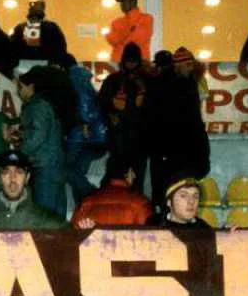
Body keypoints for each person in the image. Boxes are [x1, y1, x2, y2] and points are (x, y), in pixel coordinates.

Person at [145, 46, 210, 213]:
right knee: (178, 194)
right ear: (179, 65)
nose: (190, 68)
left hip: (168, 152)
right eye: (188, 65)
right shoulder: (186, 84)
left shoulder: (160, 84)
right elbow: (194, 122)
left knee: (167, 196)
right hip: (178, 152)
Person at [0, 150, 66, 230]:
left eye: (19, 172)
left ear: (27, 177)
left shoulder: (49, 222)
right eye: (6, 172)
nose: (12, 178)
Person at [16, 66, 67, 216]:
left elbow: (38, 134)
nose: (18, 92)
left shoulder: (37, 106)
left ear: (31, 86)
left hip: (44, 167)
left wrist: (21, 152)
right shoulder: (47, 104)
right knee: (57, 218)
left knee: (44, 216)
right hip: (54, 166)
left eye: (21, 87)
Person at [99, 42, 149, 188]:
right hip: (119, 137)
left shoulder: (146, 81)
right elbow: (102, 103)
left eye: (133, 61)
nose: (131, 64)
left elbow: (153, 107)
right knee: (117, 176)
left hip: (138, 138)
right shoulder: (114, 80)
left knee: (134, 178)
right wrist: (111, 116)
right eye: (128, 60)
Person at [61, 54, 107, 205]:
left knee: (64, 168)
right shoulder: (81, 77)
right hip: (96, 135)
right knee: (77, 171)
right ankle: (83, 206)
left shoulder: (74, 78)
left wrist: (85, 123)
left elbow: (84, 103)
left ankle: (89, 192)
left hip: (82, 135)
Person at [71, 163, 151, 228]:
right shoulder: (141, 203)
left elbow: (74, 226)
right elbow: (149, 233)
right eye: (132, 174)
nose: (134, 176)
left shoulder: (87, 201)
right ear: (128, 176)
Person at [11, 0, 68, 65]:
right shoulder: (20, 28)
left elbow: (60, 47)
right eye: (33, 6)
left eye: (37, 6)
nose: (34, 8)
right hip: (24, 64)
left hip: (46, 64)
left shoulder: (51, 27)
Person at [106, 0, 153, 64]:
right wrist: (129, 31)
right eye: (121, 2)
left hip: (139, 61)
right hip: (118, 61)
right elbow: (112, 40)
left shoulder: (146, 18)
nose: (121, 5)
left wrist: (121, 37)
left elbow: (140, 37)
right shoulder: (116, 22)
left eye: (124, 1)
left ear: (133, 2)